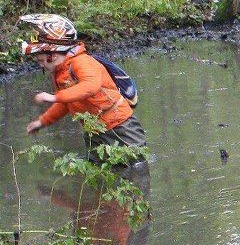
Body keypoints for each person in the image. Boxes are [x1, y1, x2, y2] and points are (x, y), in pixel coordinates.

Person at [21, 14, 147, 160]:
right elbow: (66, 104)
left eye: (42, 61)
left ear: (53, 55)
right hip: (93, 130)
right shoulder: (60, 72)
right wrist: (42, 121)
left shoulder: (81, 62)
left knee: (135, 167)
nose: (41, 65)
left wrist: (53, 97)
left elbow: (91, 86)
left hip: (119, 125)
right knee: (99, 171)